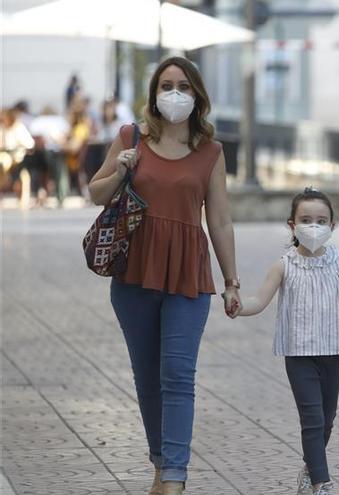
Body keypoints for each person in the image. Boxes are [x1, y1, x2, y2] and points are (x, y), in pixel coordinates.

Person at [87, 56, 240, 495]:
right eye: (167, 85)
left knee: (177, 373)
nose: (175, 93)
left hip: (188, 274)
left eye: (184, 86)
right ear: (154, 92)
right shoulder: (131, 137)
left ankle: (173, 476)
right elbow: (96, 193)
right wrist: (121, 169)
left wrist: (231, 281)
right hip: (134, 271)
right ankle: (162, 462)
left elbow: (222, 222)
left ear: (197, 96)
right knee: (147, 376)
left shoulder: (210, 151)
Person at [230, 188, 339, 495]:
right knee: (312, 418)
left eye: (322, 220)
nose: (314, 226)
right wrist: (239, 307)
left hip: (333, 351)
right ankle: (322, 482)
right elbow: (260, 300)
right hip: (298, 354)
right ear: (291, 225)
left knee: (327, 420)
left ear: (332, 226)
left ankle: (310, 470)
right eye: (306, 219)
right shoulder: (284, 265)